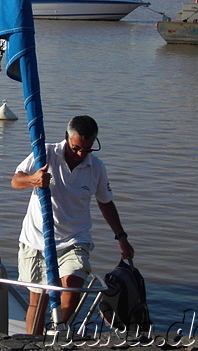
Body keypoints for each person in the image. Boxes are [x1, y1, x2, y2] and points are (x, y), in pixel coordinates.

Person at [11, 115, 134, 334]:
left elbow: (105, 202)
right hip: (37, 239)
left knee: (73, 286)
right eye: (76, 148)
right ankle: (33, 343)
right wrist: (34, 180)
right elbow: (16, 180)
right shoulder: (45, 152)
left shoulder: (95, 167)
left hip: (75, 239)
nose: (80, 154)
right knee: (38, 300)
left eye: (86, 150)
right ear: (66, 138)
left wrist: (121, 237)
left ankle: (56, 331)